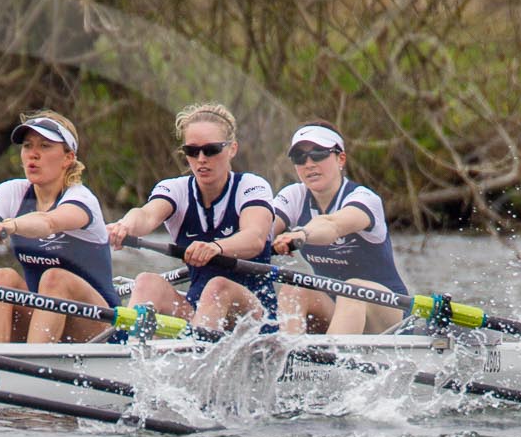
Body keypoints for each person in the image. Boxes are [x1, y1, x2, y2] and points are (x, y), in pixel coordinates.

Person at [106, 102, 277, 332]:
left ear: (232, 149)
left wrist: (216, 247)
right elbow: (146, 216)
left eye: (211, 150)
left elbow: (254, 238)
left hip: (255, 319)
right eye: (192, 151)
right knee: (147, 282)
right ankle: (131, 356)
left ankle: (192, 353)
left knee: (217, 287)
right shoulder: (176, 190)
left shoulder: (251, 186)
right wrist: (123, 226)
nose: (201, 159)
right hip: (199, 313)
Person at [0, 111, 115, 343]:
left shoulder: (81, 199)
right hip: (46, 318)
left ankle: (35, 364)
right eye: (28, 146)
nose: (33, 154)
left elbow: (48, 222)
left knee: (55, 279)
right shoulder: (11, 192)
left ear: (68, 158)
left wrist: (10, 226)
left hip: (100, 327)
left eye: (45, 146)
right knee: (1, 277)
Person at [270, 122, 409, 334]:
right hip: (336, 311)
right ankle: (289, 358)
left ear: (340, 158)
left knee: (352, 289)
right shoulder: (293, 196)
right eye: (300, 157)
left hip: (390, 314)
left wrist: (301, 234)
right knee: (292, 289)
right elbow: (261, 230)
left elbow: (332, 226)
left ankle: (332, 363)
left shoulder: (364, 198)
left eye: (318, 154)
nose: (309, 164)